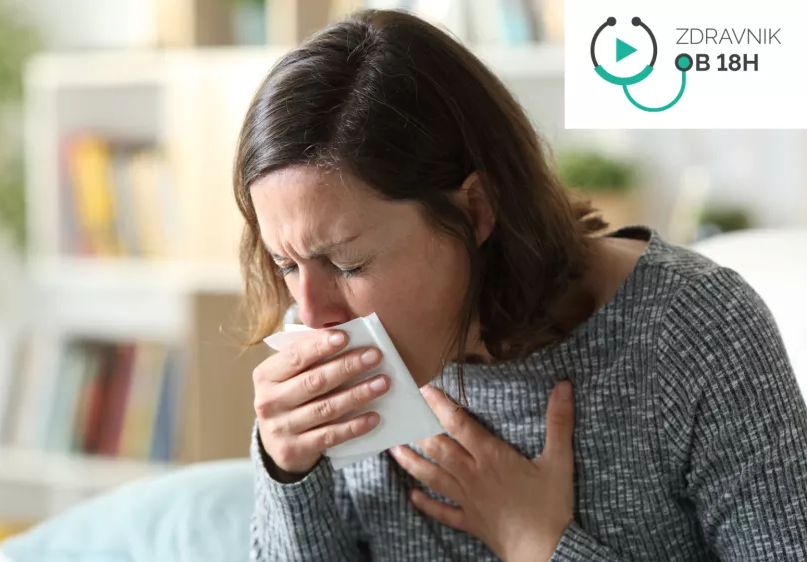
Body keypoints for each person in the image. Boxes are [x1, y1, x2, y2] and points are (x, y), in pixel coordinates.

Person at [232, 9, 807, 561]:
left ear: (476, 210)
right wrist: (289, 471)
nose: (310, 316)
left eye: (349, 264)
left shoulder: (694, 330)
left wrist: (540, 545)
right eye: (286, 265)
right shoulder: (326, 360)